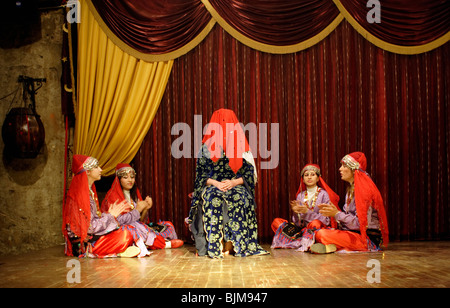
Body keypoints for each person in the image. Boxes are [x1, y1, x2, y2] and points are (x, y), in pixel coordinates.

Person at [187, 108, 269, 258]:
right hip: (213, 185)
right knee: (213, 199)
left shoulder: (242, 146)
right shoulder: (205, 147)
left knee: (239, 198)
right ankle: (214, 246)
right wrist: (216, 183)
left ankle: (234, 244)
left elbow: (249, 175)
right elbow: (201, 176)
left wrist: (233, 182)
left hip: (235, 185)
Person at [62, 155, 140, 258]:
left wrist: (109, 216)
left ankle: (117, 250)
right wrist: (110, 216)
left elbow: (94, 218)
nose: (101, 169)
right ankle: (113, 251)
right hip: (85, 244)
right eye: (96, 167)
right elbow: (89, 228)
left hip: (94, 236)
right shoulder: (80, 195)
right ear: (88, 172)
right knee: (126, 233)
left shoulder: (90, 193)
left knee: (128, 230)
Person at [312, 152, 389, 253]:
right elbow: (348, 219)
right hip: (352, 233)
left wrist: (336, 214)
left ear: (353, 170)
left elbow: (360, 225)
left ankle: (333, 245)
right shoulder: (351, 189)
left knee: (322, 234)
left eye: (344, 166)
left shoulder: (365, 190)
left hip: (366, 238)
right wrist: (333, 213)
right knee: (317, 229)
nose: (340, 169)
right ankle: (332, 246)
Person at [101, 163, 183, 257]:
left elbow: (141, 221)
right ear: (118, 179)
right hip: (122, 230)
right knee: (133, 228)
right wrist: (137, 210)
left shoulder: (134, 195)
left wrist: (145, 209)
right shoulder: (112, 197)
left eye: (132, 177)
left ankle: (156, 242)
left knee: (168, 225)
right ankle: (164, 244)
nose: (130, 180)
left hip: (138, 227)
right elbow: (118, 222)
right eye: (125, 177)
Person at [271, 164, 339, 251]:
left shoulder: (324, 194)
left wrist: (307, 212)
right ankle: (306, 242)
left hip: (318, 229)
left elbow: (326, 220)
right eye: (306, 175)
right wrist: (296, 213)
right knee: (276, 222)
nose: (309, 177)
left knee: (315, 223)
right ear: (302, 179)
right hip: (302, 230)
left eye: (312, 175)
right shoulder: (300, 195)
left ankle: (310, 242)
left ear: (318, 178)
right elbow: (297, 224)